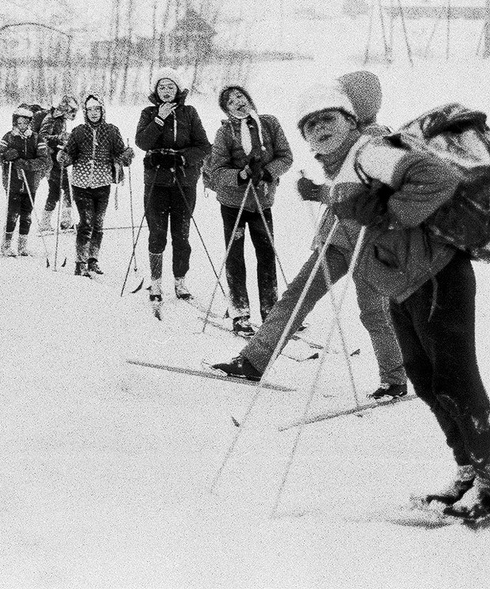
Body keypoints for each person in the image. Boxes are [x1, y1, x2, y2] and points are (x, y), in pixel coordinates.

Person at [320, 101, 489, 520]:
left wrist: (393, 214)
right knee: (427, 381)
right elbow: (363, 208)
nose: (318, 129)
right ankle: (469, 470)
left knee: (455, 380)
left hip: (437, 277)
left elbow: (439, 177)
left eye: (328, 118)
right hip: (402, 287)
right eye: (309, 123)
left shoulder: (371, 150)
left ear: (351, 121)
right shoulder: (344, 166)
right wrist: (328, 197)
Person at [211, 71, 409, 402]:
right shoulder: (350, 137)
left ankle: (395, 378)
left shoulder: (377, 140)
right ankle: (254, 360)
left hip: (369, 243)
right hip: (338, 239)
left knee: (370, 310)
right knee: (300, 297)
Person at [204, 86, 293, 335]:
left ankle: (271, 311)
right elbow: (217, 171)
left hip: (262, 202)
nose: (238, 103)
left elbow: (286, 157)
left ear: (249, 99)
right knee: (235, 256)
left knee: (266, 253)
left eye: (240, 97)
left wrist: (266, 172)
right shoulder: (225, 133)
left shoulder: (269, 123)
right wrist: (241, 175)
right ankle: (240, 312)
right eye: (231, 102)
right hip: (234, 204)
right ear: (227, 109)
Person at [134, 67, 211, 302]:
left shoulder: (189, 113)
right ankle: (156, 283)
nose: (166, 91)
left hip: (184, 182)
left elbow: (204, 146)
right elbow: (142, 142)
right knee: (157, 233)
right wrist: (160, 119)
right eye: (161, 87)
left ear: (178, 89)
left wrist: (183, 157)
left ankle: (180, 281)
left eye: (170, 87)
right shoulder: (148, 113)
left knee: (181, 234)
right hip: (156, 182)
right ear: (155, 91)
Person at [58, 95, 134, 276]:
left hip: (103, 183)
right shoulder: (78, 131)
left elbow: (119, 154)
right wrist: (63, 158)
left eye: (97, 109)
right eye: (90, 110)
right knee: (86, 223)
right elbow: (70, 155)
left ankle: (93, 260)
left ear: (102, 111)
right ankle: (80, 262)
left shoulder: (111, 131)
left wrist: (126, 156)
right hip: (81, 184)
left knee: (98, 224)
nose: (94, 113)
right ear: (85, 112)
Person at [0, 105, 51, 257]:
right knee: (12, 213)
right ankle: (5, 246)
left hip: (31, 183)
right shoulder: (8, 137)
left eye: (25, 123)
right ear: (15, 123)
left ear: (30, 123)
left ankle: (22, 247)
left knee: (27, 215)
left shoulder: (37, 138)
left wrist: (26, 164)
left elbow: (44, 161)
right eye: (19, 123)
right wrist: (6, 156)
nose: (22, 126)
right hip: (12, 182)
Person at [38, 96, 80, 231]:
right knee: (67, 189)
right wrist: (59, 138)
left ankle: (45, 223)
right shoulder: (51, 119)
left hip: (55, 160)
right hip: (50, 161)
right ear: (64, 109)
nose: (73, 115)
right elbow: (42, 137)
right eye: (72, 111)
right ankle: (65, 222)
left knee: (54, 192)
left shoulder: (60, 120)